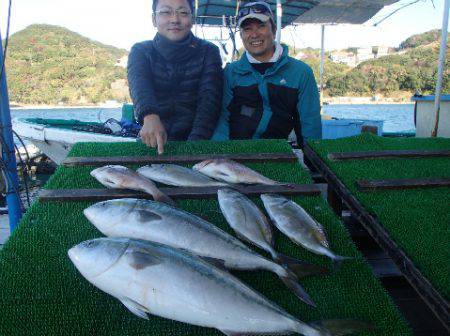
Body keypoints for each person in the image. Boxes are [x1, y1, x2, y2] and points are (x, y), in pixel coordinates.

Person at [212, 1, 321, 145]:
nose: (254, 34)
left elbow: (310, 124)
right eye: (247, 29)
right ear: (242, 35)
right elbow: (222, 121)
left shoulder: (301, 73)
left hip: (281, 156)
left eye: (261, 26)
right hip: (236, 155)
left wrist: (311, 161)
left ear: (274, 30)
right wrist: (221, 155)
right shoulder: (231, 73)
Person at [128, 0, 223, 153]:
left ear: (192, 18)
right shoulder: (141, 51)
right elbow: (139, 85)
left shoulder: (208, 51)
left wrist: (193, 148)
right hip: (153, 141)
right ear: (154, 19)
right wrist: (149, 115)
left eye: (183, 12)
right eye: (166, 12)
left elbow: (209, 100)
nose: (175, 19)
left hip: (198, 142)